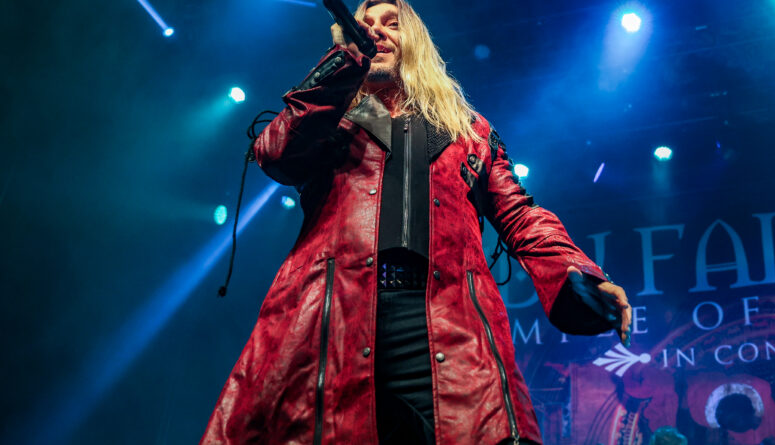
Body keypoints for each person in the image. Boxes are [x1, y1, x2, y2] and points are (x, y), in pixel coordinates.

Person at [201, 1, 632, 444]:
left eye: (392, 24)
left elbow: (520, 213)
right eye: (365, 26)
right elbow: (275, 154)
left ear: (416, 42)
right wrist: (342, 61)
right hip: (336, 321)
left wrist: (577, 272)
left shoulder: (469, 131)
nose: (377, 32)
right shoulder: (330, 121)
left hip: (449, 322)